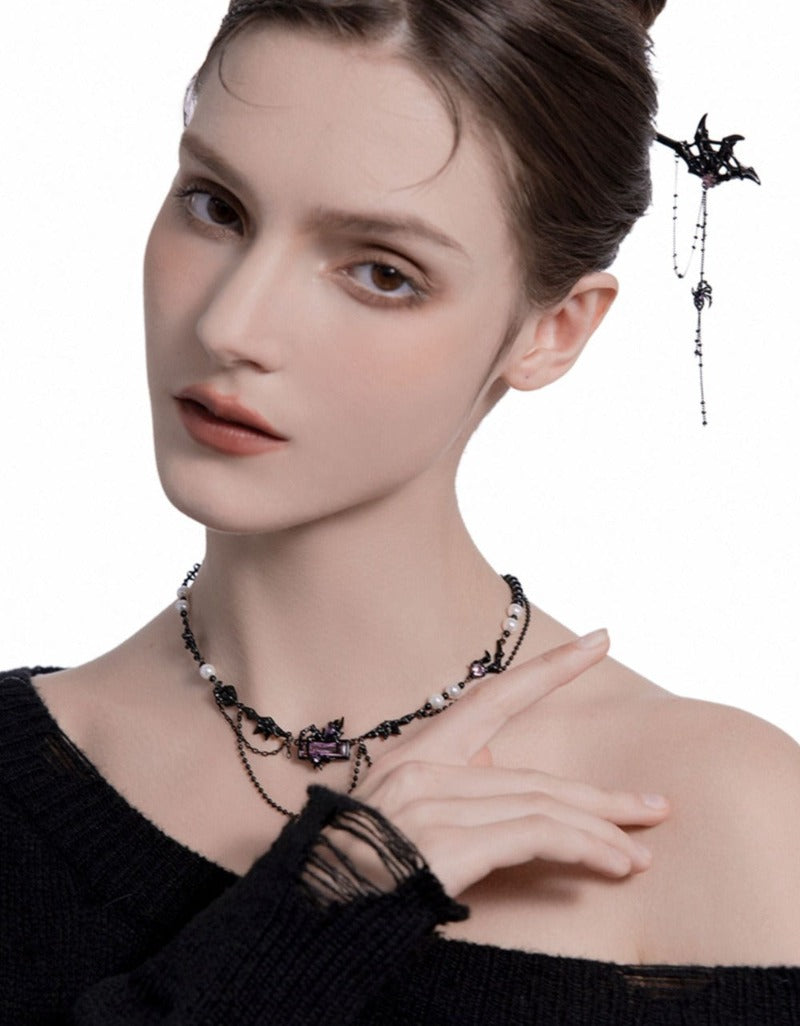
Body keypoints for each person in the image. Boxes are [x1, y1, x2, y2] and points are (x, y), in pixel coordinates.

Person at [2, 1, 799, 1023]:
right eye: (217, 207)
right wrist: (319, 912)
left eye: (381, 272)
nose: (231, 325)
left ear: (554, 330)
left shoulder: (718, 821)